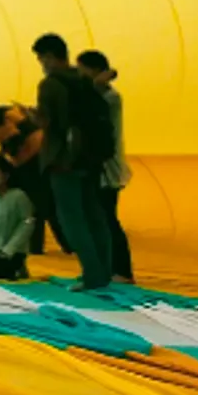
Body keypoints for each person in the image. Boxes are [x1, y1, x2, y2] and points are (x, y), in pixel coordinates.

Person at [32, 33, 115, 291]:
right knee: (94, 215)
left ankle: (91, 275)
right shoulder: (84, 79)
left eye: (41, 58)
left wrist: (32, 118)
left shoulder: (50, 85)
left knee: (72, 219)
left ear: (48, 56)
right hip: (90, 158)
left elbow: (49, 123)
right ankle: (103, 273)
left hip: (63, 160)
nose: (41, 63)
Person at [0, 102, 62, 255]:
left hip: (32, 160)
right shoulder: (2, 110)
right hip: (42, 154)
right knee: (48, 203)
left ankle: (37, 246)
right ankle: (62, 244)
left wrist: (0, 161)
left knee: (37, 204)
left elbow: (14, 140)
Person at [78, 50, 134, 284]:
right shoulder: (98, 92)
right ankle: (107, 267)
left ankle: (122, 270)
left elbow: (89, 108)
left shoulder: (109, 96)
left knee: (108, 219)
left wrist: (96, 85)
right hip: (97, 167)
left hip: (107, 168)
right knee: (98, 218)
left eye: (82, 69)